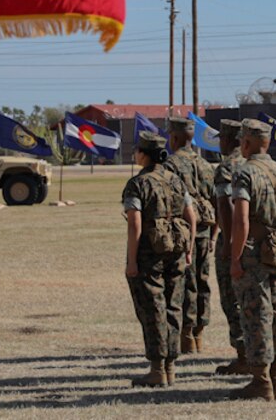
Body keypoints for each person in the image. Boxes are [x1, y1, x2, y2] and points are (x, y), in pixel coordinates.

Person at [229, 118, 276, 401]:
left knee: (255, 315)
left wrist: (235, 258)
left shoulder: (244, 173)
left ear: (246, 143)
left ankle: (261, 382)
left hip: (254, 255)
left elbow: (241, 221)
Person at [122, 131, 197, 387]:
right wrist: (189, 249)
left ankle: (157, 370)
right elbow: (192, 217)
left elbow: (134, 223)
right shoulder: (176, 180)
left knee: (153, 310)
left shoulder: (138, 183)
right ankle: (171, 368)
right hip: (176, 251)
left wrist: (131, 261)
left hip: (149, 256)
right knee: (174, 307)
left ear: (143, 154)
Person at [164, 116, 217, 353]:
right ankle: (198, 334)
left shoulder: (170, 164)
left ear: (174, 137)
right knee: (202, 281)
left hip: (182, 231)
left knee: (183, 283)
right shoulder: (206, 165)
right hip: (205, 230)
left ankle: (186, 335)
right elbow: (217, 201)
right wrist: (215, 234)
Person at [212, 118, 248, 375]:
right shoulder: (253, 164)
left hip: (232, 240)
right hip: (255, 241)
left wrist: (227, 242)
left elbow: (225, 207)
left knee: (232, 300)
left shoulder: (225, 169)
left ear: (229, 140)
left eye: (222, 139)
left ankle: (244, 355)